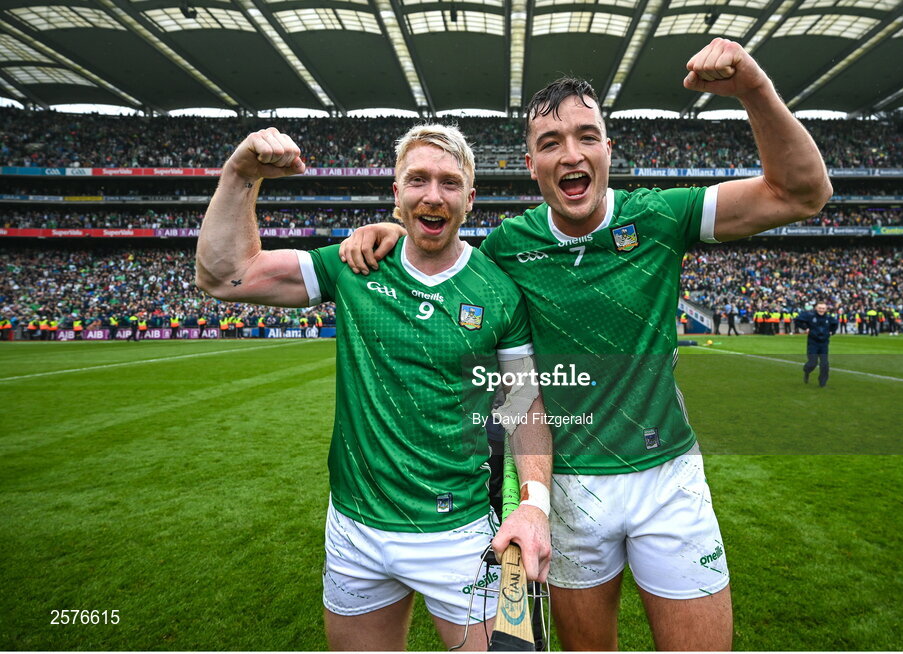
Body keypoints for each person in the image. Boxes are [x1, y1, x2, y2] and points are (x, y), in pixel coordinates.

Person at [339, 38, 831, 650]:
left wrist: (754, 86)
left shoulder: (659, 218)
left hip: (668, 478)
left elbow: (803, 193)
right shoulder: (507, 250)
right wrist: (393, 228)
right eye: (551, 143)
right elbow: (440, 252)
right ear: (531, 163)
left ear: (606, 148)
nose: (571, 154)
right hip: (568, 492)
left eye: (586, 136)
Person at [195, 124, 552, 651]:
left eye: (450, 183)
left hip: (458, 532)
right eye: (418, 180)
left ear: (470, 199)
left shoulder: (497, 290)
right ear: (396, 194)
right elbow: (225, 274)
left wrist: (533, 505)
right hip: (355, 531)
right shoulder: (354, 266)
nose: (433, 195)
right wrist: (241, 172)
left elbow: (526, 403)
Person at [794, 302, 838, 388]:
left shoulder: (829, 318)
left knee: (824, 364)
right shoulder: (810, 316)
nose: (821, 310)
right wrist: (805, 328)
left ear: (826, 309)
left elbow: (835, 324)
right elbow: (797, 320)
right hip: (813, 342)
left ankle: (822, 383)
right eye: (820, 308)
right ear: (816, 308)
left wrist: (832, 332)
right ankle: (806, 371)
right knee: (812, 363)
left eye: (823, 308)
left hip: (824, 343)